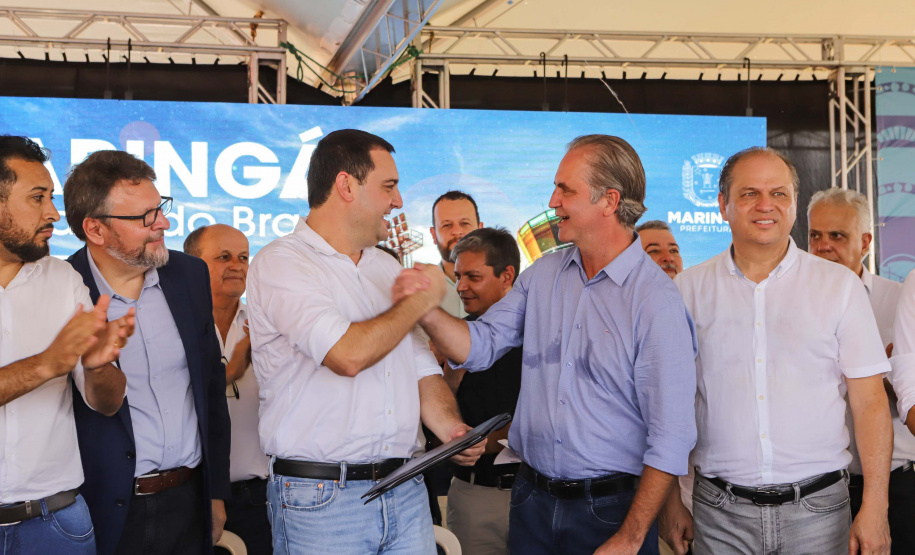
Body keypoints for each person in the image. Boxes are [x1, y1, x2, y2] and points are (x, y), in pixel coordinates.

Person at [396, 134, 698, 555]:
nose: (553, 200)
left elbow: (671, 435)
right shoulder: (543, 276)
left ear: (609, 201)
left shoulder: (655, 302)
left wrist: (630, 538)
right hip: (531, 500)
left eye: (566, 189)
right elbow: (479, 345)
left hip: (610, 510)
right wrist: (424, 308)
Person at [245, 128, 484, 555]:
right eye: (389, 186)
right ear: (345, 185)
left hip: (406, 488)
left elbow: (422, 368)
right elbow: (346, 354)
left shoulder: (384, 268)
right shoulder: (282, 262)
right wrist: (420, 302)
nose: (398, 201)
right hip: (322, 498)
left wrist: (451, 429)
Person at [662, 147, 892, 555]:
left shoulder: (839, 287)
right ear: (723, 205)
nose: (765, 205)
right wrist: (668, 502)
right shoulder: (687, 292)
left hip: (819, 513)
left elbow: (871, 403)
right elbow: (666, 405)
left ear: (794, 204)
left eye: (779, 193)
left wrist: (875, 505)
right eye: (749, 193)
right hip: (718, 512)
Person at [63, 150, 231, 555]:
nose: (164, 224)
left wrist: (216, 492)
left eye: (161, 208)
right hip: (108, 512)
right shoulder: (65, 289)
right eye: (145, 218)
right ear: (95, 230)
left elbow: (210, 387)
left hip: (191, 503)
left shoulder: (189, 275)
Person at [0, 136, 133, 554]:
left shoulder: (64, 280)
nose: (54, 214)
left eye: (51, 198)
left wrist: (96, 367)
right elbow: (50, 364)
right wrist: (46, 364)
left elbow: (107, 404)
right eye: (37, 198)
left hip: (56, 523)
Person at [807, 187, 915, 554]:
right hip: (817, 490)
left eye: (837, 235)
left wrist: (890, 378)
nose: (823, 246)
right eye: (815, 235)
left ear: (866, 241)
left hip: (900, 485)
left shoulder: (900, 300)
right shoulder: (785, 305)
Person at [184, 224, 271, 555]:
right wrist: (232, 370)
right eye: (224, 257)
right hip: (193, 496)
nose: (237, 265)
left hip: (260, 497)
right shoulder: (174, 326)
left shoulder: (265, 325)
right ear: (192, 264)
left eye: (244, 257)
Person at [445, 227, 523, 555]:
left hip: (539, 495)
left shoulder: (543, 333)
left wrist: (491, 439)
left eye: (473, 277)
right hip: (476, 495)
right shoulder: (454, 338)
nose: (461, 286)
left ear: (507, 276)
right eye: (458, 276)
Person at [430, 191, 483, 318]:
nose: (457, 231)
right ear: (433, 234)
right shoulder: (417, 291)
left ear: (481, 230)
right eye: (447, 225)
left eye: (465, 223)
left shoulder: (507, 288)